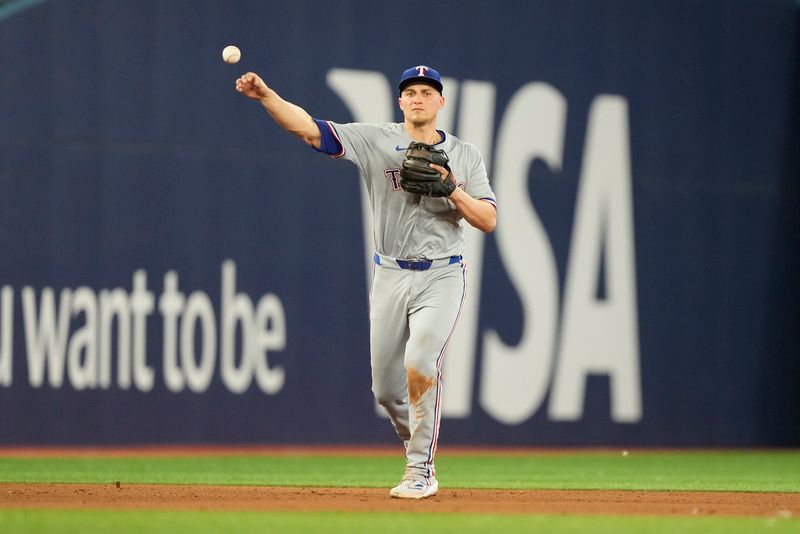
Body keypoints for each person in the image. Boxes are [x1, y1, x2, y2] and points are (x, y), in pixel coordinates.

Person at [235, 65, 497, 499]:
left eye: (427, 92)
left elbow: (487, 220)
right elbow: (310, 130)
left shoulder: (465, 155)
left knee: (420, 360)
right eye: (410, 92)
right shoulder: (377, 139)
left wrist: (452, 189)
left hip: (442, 273)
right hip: (391, 274)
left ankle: (420, 471)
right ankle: (416, 444)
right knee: (386, 390)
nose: (418, 98)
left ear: (441, 102)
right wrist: (266, 96)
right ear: (400, 102)